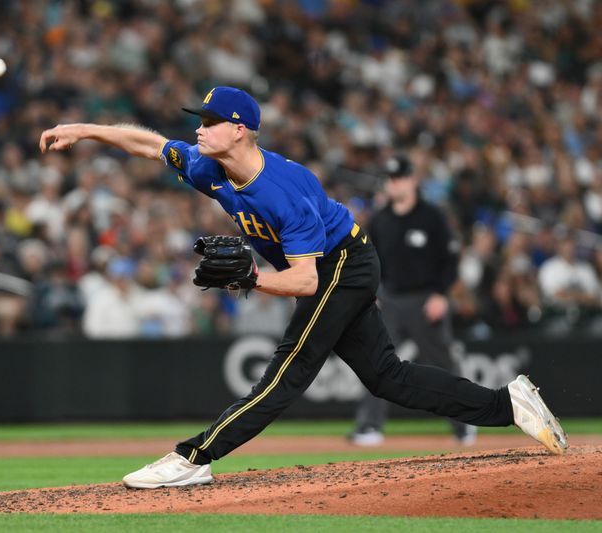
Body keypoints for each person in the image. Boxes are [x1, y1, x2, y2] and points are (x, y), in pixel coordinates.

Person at [39, 86, 567, 490]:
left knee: (287, 372)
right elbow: (151, 145)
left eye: (211, 121)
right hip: (332, 266)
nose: (199, 129)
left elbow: (306, 280)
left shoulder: (284, 193)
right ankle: (509, 404)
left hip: (344, 263)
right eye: (199, 121)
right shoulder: (210, 168)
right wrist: (85, 130)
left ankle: (192, 459)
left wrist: (251, 279)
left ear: (241, 130)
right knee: (388, 378)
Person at [349, 154, 475, 446]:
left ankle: (465, 423)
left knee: (443, 365)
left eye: (399, 178)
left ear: (412, 180)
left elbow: (451, 260)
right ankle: (370, 426)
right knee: (375, 360)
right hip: (391, 300)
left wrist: (441, 295)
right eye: (390, 179)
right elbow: (371, 261)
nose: (394, 183)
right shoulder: (381, 219)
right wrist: (373, 293)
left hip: (425, 300)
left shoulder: (432, 216)